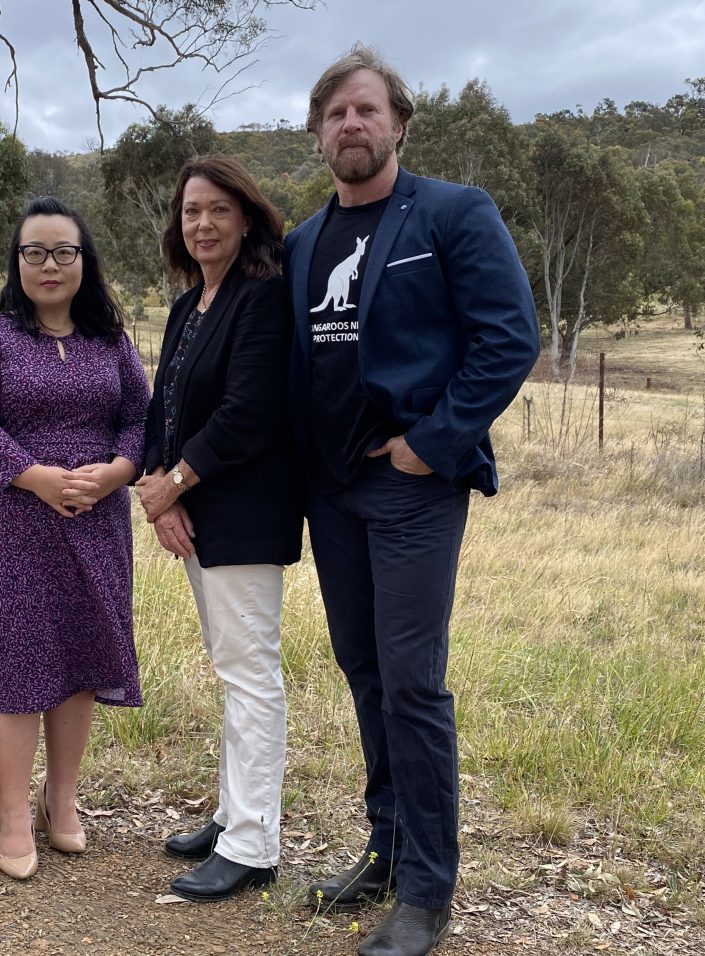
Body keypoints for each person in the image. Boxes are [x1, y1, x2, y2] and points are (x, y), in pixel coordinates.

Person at [283, 45, 540, 956]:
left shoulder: (454, 214)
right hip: (331, 492)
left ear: (397, 123)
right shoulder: (304, 243)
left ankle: (430, 891)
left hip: (410, 490)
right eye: (334, 115)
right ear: (318, 135)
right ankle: (388, 849)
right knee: (363, 671)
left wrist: (430, 447)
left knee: (412, 682)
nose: (350, 126)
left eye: (366, 110)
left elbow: (510, 339)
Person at [0, 196, 149, 881]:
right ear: (17, 262)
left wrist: (118, 471)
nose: (50, 264)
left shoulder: (112, 342)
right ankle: (10, 814)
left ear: (85, 262)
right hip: (14, 522)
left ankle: (61, 801)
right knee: (14, 664)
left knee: (79, 658)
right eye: (34, 252)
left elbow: (141, 421)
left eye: (64, 251)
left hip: (96, 520)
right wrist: (33, 476)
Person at [137, 155, 304, 903]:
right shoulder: (187, 306)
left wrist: (173, 482)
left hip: (244, 514)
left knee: (250, 675)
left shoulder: (261, 297)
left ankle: (253, 844)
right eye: (190, 211)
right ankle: (235, 813)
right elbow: (161, 407)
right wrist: (163, 495)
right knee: (231, 668)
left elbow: (249, 414)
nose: (201, 223)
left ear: (247, 217)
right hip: (195, 515)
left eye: (218, 210)